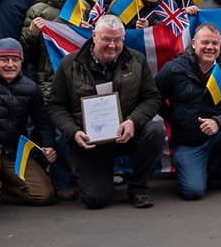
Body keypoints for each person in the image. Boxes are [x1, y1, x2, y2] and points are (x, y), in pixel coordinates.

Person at [49, 15, 163, 210]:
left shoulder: (136, 60)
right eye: (107, 39)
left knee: (155, 131)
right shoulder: (70, 64)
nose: (112, 45)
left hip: (126, 134)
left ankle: (138, 187)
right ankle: (102, 176)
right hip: (89, 141)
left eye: (118, 40)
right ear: (94, 36)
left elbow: (152, 98)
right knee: (96, 200)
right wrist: (73, 132)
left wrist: (133, 121)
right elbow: (55, 106)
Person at [155, 23, 221, 199]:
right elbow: (154, 98)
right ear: (194, 43)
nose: (210, 47)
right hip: (189, 140)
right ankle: (204, 169)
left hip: (220, 133)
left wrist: (218, 122)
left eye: (215, 43)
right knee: (193, 192)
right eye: (205, 42)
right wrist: (175, 118)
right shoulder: (174, 68)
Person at [0, 38, 59, 212]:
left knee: (43, 195)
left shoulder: (31, 88)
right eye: (4, 59)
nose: (10, 64)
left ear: (21, 62)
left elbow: (43, 121)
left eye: (15, 60)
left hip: (11, 151)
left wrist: (48, 145)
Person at [20, 0, 80, 88]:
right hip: (49, 77)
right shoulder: (36, 10)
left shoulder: (81, 7)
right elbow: (25, 50)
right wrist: (31, 33)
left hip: (78, 75)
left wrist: (87, 29)